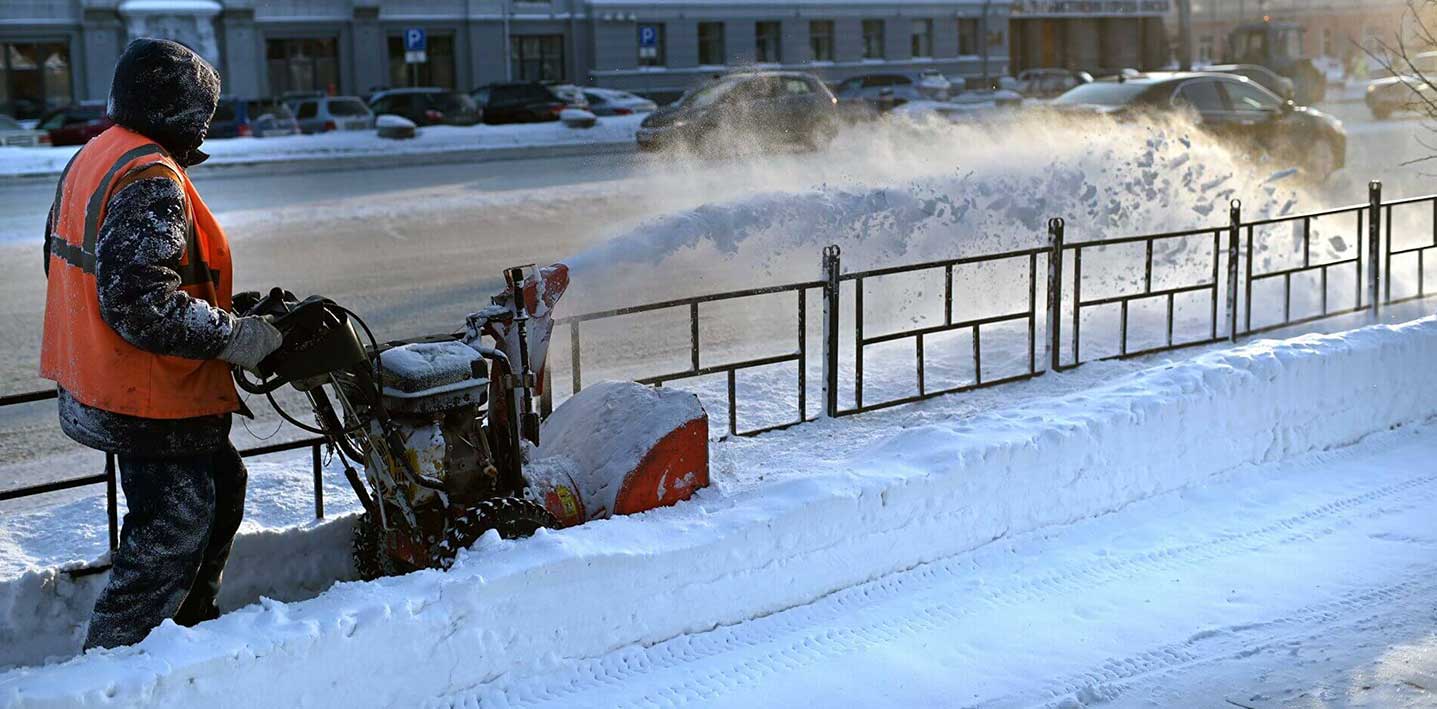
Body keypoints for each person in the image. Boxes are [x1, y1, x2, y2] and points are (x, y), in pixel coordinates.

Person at [39, 38, 283, 650]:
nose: (207, 123)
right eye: (204, 110)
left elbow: (81, 263)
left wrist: (220, 311)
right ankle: (119, 663)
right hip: (145, 396)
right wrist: (238, 337)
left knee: (222, 486)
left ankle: (188, 628)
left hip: (103, 380)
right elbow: (138, 305)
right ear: (181, 110)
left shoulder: (97, 154)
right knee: (173, 528)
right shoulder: (150, 177)